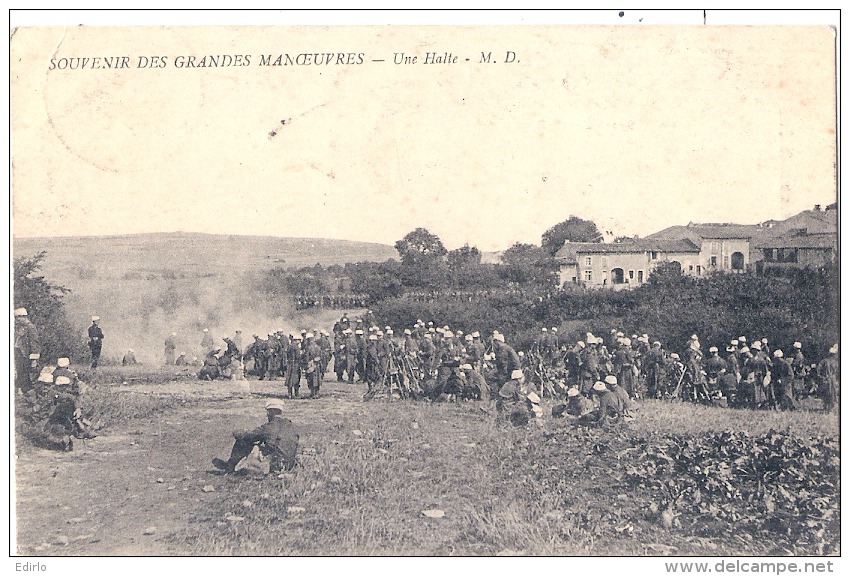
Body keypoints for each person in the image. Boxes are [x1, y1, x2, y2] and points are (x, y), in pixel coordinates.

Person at [212, 400, 299, 474]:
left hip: (275, 465)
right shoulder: (291, 425)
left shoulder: (268, 427)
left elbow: (246, 436)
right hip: (289, 464)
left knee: (243, 441)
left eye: (267, 412)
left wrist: (237, 432)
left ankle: (230, 466)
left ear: (269, 412)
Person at [14, 307, 40, 393]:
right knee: (20, 372)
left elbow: (34, 343)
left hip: (25, 354)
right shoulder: (20, 327)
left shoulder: (30, 327)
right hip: (18, 353)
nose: (16, 320)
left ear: (23, 317)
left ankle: (27, 392)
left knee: (25, 373)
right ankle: (21, 390)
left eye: (17, 318)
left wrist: (34, 359)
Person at [816, 344, 839, 412]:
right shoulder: (835, 362)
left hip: (826, 379)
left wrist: (820, 376)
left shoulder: (824, 361)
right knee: (831, 393)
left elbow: (818, 369)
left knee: (826, 393)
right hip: (832, 379)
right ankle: (829, 407)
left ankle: (827, 406)